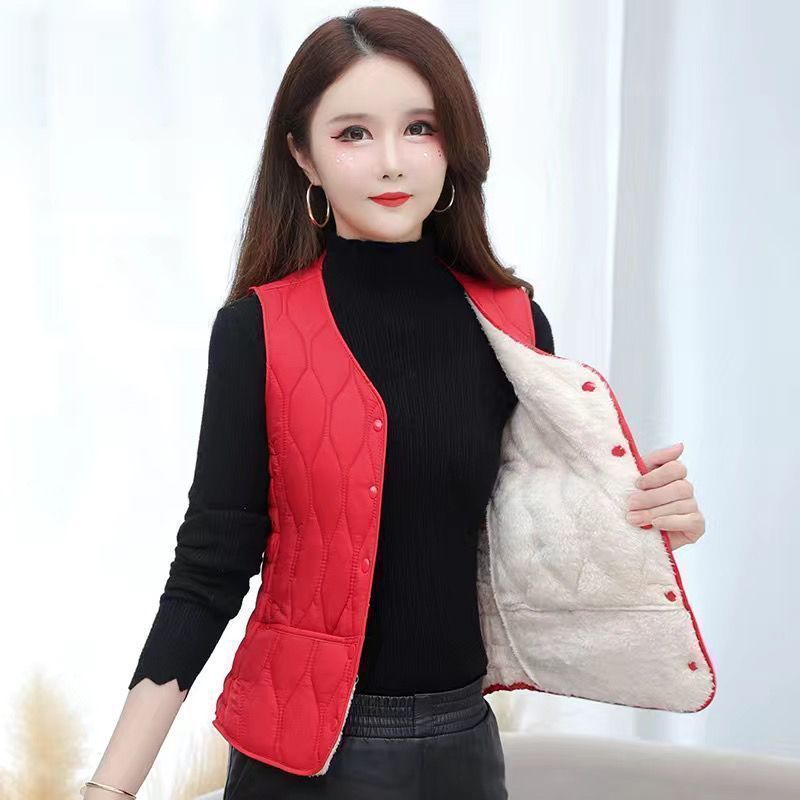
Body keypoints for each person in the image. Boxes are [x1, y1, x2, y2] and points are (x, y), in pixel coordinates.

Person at [82, 6, 708, 800]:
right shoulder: (256, 332)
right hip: (302, 764)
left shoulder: (514, 325)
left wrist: (652, 524)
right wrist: (110, 789)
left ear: (455, 143)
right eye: (353, 133)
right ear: (302, 156)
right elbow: (209, 570)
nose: (391, 162)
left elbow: (539, 538)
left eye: (419, 128)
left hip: (464, 750)